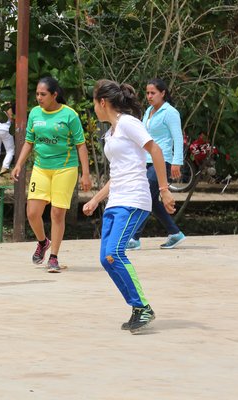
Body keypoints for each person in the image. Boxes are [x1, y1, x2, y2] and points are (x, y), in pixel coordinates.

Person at [82, 79, 176, 334]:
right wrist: (95, 199)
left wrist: (164, 190)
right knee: (106, 258)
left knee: (115, 253)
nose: (94, 108)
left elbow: (155, 150)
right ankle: (137, 309)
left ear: (102, 102)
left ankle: (143, 306)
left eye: (94, 103)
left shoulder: (128, 123)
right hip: (116, 201)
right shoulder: (111, 132)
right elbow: (118, 173)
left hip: (134, 199)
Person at [11, 77, 92, 273]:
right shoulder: (35, 114)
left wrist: (86, 174)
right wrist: (19, 164)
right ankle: (42, 242)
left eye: (43, 94)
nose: (39, 98)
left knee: (57, 213)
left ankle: (54, 257)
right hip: (41, 167)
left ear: (54, 95)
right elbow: (29, 141)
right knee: (32, 212)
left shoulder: (69, 115)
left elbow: (81, 145)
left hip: (65, 168)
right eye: (37, 94)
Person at [127, 78, 186, 250]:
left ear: (163, 93)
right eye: (147, 93)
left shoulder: (170, 112)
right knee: (151, 199)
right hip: (146, 160)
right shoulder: (149, 111)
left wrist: (177, 162)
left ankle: (134, 238)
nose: (149, 96)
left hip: (163, 160)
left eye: (153, 93)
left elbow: (177, 137)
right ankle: (175, 233)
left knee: (144, 196)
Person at [0, 103, 15, 178]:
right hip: (6, 129)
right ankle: (4, 168)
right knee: (10, 150)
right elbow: (11, 117)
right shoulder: (8, 106)